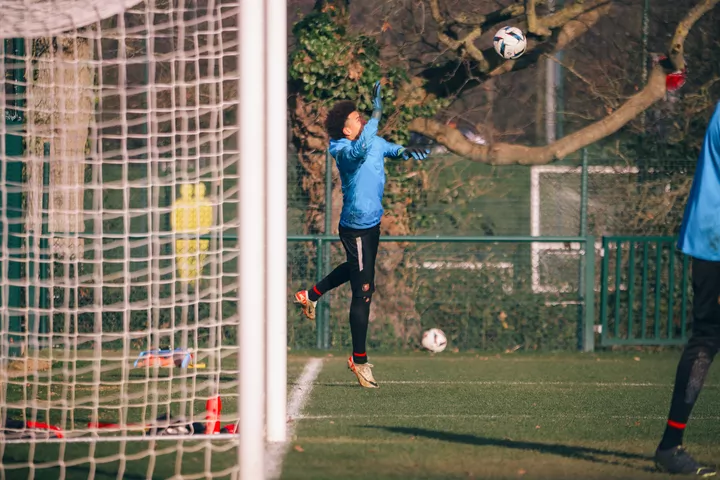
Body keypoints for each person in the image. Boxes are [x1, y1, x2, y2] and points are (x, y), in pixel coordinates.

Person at [293, 81, 430, 388]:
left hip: (372, 224)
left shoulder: (370, 140)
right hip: (355, 225)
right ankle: (359, 359)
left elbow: (386, 148)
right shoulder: (342, 149)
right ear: (346, 130)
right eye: (358, 118)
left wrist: (407, 151)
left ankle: (311, 295)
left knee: (357, 271)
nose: (363, 119)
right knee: (364, 290)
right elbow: (362, 150)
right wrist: (377, 115)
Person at [654, 101, 720, 477]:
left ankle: (670, 445)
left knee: (707, 339)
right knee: (707, 338)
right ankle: (670, 445)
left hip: (709, 240)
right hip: (715, 243)